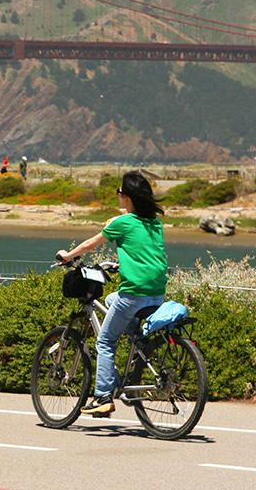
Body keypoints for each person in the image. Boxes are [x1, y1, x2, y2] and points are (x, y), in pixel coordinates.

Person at [55, 171, 167, 417]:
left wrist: (68, 256)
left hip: (134, 294)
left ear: (126, 197)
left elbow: (90, 245)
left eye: (119, 192)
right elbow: (144, 253)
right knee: (109, 299)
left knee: (105, 342)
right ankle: (139, 343)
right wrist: (121, 265)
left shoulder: (122, 222)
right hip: (157, 293)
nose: (117, 196)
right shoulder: (154, 223)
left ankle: (103, 397)